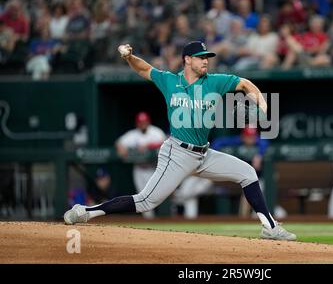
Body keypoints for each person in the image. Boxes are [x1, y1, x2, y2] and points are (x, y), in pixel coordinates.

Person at [64, 40, 296, 241]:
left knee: (248, 173)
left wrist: (261, 102)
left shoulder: (215, 82)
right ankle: (86, 211)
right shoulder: (169, 81)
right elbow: (144, 69)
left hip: (204, 154)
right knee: (146, 201)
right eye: (201, 57)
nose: (206, 61)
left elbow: (244, 83)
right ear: (187, 60)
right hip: (177, 153)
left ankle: (271, 228)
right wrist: (129, 57)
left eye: (207, 57)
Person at [115, 111, 166, 219]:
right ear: (137, 123)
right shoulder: (134, 134)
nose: (143, 124)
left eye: (144, 122)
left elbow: (165, 142)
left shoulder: (156, 132)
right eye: (140, 122)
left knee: (158, 195)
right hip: (139, 169)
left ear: (148, 122)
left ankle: (164, 220)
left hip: (155, 168)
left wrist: (148, 145)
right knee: (142, 196)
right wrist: (121, 146)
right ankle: (149, 221)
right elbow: (119, 142)